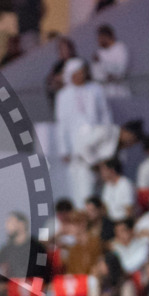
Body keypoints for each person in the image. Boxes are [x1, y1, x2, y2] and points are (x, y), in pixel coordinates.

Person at [54, 58, 113, 208]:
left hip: (96, 140)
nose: (81, 76)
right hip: (76, 145)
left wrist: (107, 138)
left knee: (98, 180)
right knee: (78, 181)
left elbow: (105, 114)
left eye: (82, 73)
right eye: (77, 73)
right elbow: (62, 124)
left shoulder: (96, 89)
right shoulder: (63, 95)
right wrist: (64, 148)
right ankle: (81, 210)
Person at [91, 25, 130, 98]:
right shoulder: (99, 52)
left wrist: (102, 63)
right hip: (104, 92)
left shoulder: (120, 48)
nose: (98, 41)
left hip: (118, 91)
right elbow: (96, 74)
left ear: (106, 36)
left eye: (100, 38)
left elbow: (120, 70)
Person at [98, 158, 135, 222]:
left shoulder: (125, 185)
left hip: (122, 221)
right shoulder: (107, 185)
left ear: (112, 170)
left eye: (104, 170)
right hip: (110, 221)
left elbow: (129, 210)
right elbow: (105, 207)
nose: (101, 173)